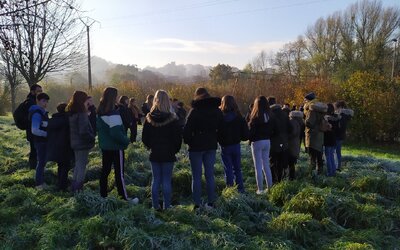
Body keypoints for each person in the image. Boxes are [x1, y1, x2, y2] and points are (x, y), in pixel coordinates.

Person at [183, 87, 223, 209]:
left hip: (196, 146)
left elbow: (187, 130)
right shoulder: (216, 111)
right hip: (211, 144)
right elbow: (222, 128)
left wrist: (189, 142)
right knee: (210, 175)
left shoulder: (194, 111)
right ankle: (211, 202)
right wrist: (216, 139)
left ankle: (197, 204)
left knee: (196, 176)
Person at [142, 90, 182, 210]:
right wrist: (174, 150)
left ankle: (155, 206)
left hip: (155, 153)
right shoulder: (173, 119)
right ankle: (167, 206)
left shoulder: (149, 118)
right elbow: (178, 138)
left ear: (155, 100)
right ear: (167, 101)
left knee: (156, 179)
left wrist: (150, 146)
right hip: (168, 153)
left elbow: (144, 138)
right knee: (166, 180)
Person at [97, 87, 138, 203]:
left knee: (105, 171)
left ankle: (103, 195)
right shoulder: (113, 113)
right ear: (113, 98)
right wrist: (126, 140)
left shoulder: (100, 111)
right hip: (116, 147)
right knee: (119, 173)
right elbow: (115, 132)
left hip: (105, 147)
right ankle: (124, 198)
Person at [217, 95, 249, 193]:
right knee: (237, 169)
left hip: (225, 146)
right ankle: (240, 189)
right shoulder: (239, 117)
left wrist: (220, 140)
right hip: (236, 145)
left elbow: (217, 132)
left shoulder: (220, 117)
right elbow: (245, 134)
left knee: (228, 169)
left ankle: (230, 189)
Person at [67, 91, 95, 192]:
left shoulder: (72, 112)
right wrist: (92, 137)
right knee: (82, 166)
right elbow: (83, 131)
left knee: (78, 165)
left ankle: (74, 186)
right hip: (83, 144)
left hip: (75, 143)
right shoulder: (82, 113)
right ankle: (78, 188)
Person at [248, 96, 274, 194]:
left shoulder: (255, 117)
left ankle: (260, 189)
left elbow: (251, 133)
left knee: (258, 167)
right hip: (267, 141)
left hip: (257, 142)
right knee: (266, 165)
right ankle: (270, 188)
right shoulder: (270, 116)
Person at [46, 103, 72, 191]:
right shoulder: (67, 120)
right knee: (65, 166)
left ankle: (59, 183)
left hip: (54, 147)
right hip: (65, 146)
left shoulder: (52, 120)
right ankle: (62, 186)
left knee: (60, 166)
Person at [303, 92, 328, 177]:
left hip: (312, 136)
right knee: (319, 155)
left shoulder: (311, 110)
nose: (304, 102)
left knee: (312, 156)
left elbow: (309, 122)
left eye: (305, 100)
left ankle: (311, 174)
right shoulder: (320, 110)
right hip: (320, 135)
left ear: (308, 101)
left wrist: (304, 121)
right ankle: (320, 172)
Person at [268, 96, 291, 183]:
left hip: (274, 143)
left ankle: (274, 180)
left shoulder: (270, 116)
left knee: (273, 162)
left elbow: (270, 130)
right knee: (281, 162)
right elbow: (290, 129)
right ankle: (280, 179)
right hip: (284, 142)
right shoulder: (285, 115)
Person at [29, 92, 49, 189]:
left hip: (42, 141)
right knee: (41, 163)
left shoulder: (42, 111)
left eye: (46, 101)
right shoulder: (37, 113)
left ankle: (41, 182)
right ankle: (39, 184)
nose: (45, 103)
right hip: (40, 141)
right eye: (43, 101)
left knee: (42, 162)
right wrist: (47, 134)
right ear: (38, 101)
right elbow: (35, 130)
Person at [26, 84, 43, 169]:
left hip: (33, 129)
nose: (40, 92)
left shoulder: (34, 100)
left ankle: (35, 168)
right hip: (32, 130)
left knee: (35, 150)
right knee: (34, 150)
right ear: (32, 92)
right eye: (38, 91)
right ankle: (33, 168)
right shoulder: (30, 102)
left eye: (41, 91)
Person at [334, 101, 354, 171]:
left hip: (338, 135)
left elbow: (341, 126)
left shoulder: (342, 115)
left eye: (336, 107)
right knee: (337, 151)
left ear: (340, 107)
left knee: (336, 151)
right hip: (341, 135)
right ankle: (337, 166)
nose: (335, 109)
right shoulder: (345, 115)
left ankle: (337, 167)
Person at [324, 103, 340, 177]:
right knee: (332, 156)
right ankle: (333, 172)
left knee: (328, 156)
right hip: (334, 138)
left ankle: (330, 173)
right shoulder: (337, 118)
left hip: (327, 138)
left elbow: (326, 129)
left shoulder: (327, 118)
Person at [288, 111, 304, 180]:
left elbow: (293, 133)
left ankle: (291, 177)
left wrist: (287, 136)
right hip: (297, 143)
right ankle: (292, 176)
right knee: (292, 161)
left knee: (290, 162)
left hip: (291, 144)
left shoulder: (293, 122)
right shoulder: (301, 123)